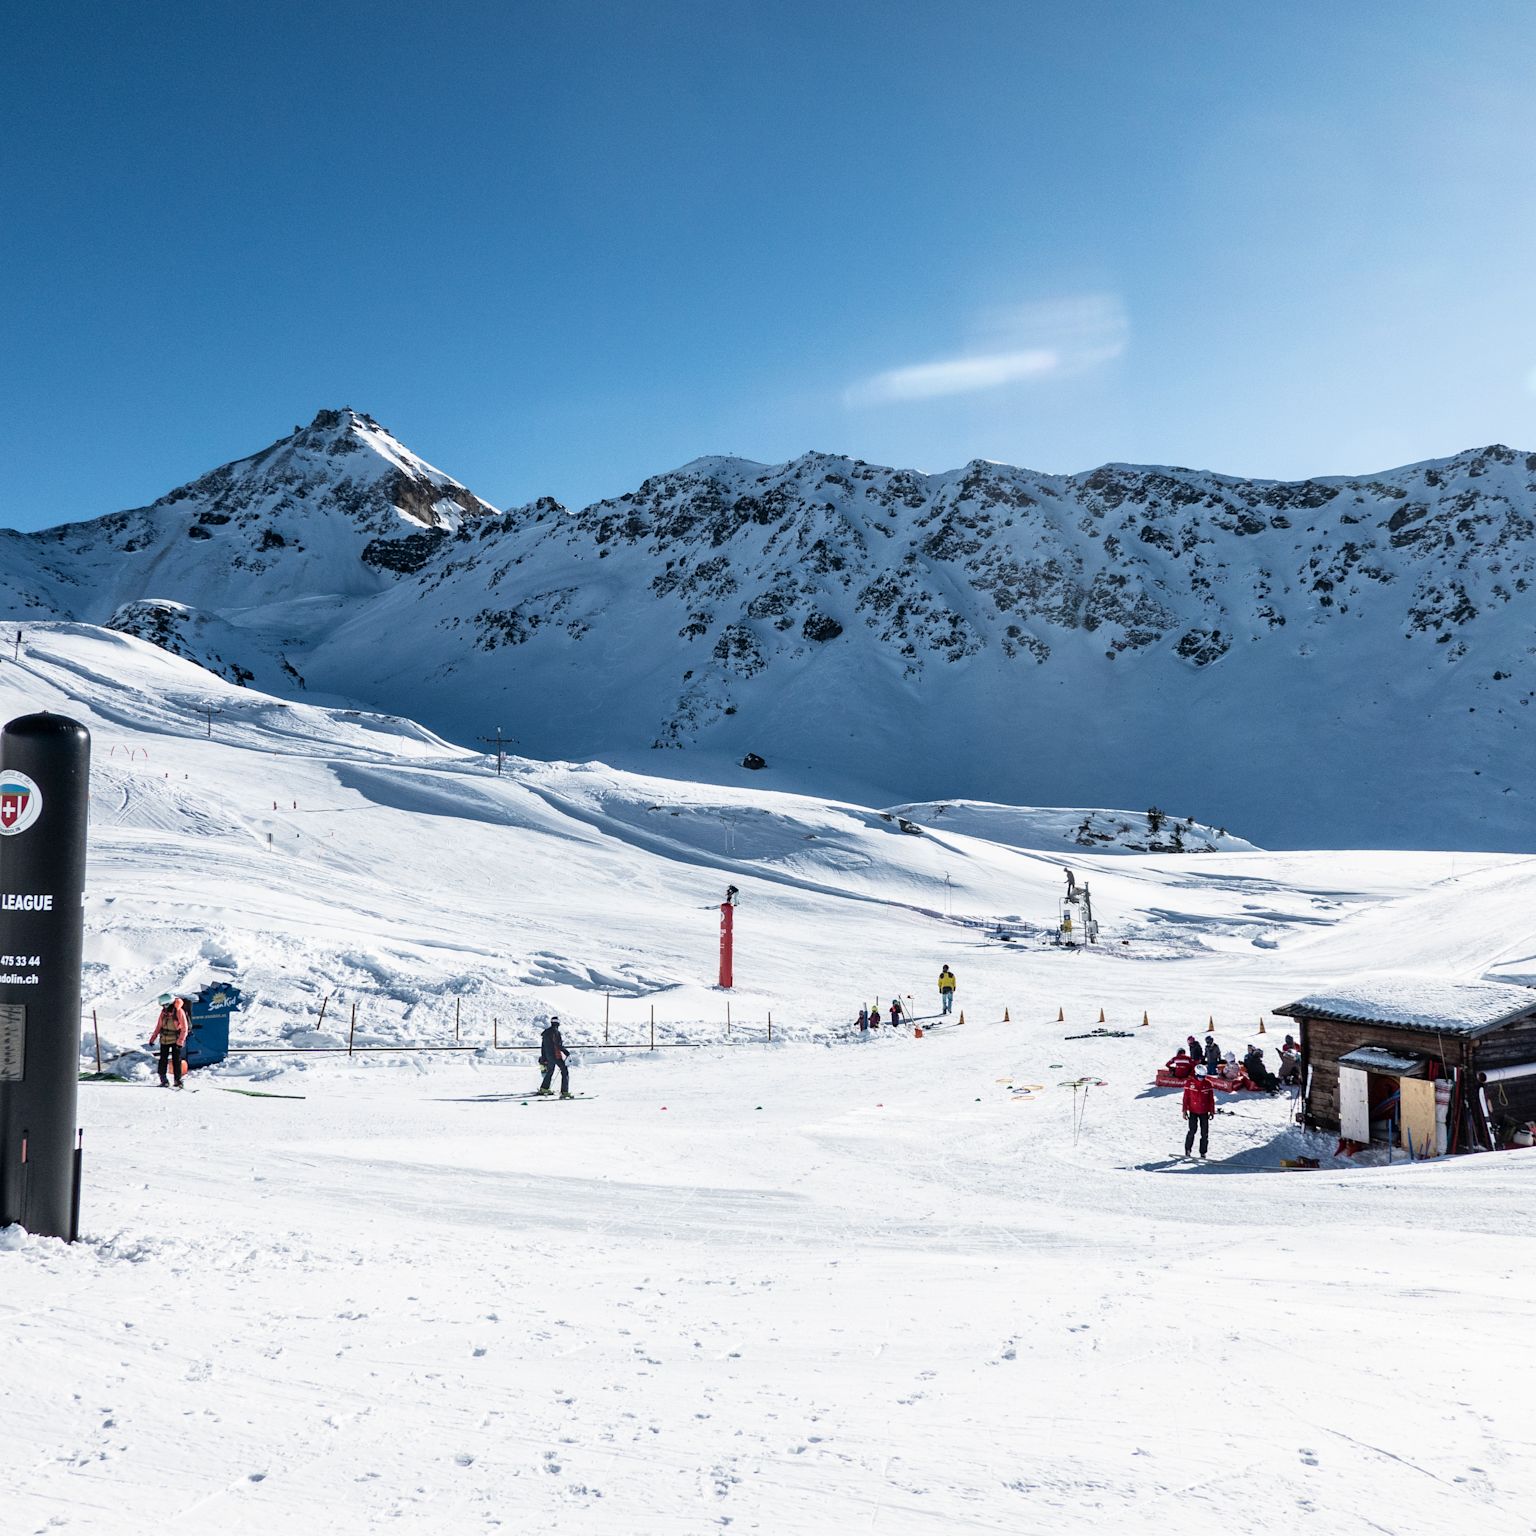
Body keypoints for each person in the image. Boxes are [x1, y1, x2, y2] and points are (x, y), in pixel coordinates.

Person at [147, 992, 189, 1089]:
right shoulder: (164, 1012)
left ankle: (177, 1080)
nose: (164, 1007)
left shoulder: (179, 1011)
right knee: (163, 1060)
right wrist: (153, 1038)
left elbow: (184, 1028)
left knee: (176, 1061)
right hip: (164, 1039)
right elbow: (159, 1026)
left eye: (165, 1005)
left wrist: (180, 1042)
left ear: (169, 1003)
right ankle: (163, 1080)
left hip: (175, 1040)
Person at [1183, 1064, 1216, 1158]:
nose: (1201, 1078)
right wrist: (1184, 1110)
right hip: (1193, 1111)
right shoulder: (1189, 1083)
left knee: (1204, 1133)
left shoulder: (1208, 1084)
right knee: (1192, 1131)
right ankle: (1188, 1150)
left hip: (1204, 1112)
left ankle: (1203, 1152)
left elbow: (1211, 1099)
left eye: (1203, 1077)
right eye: (1200, 1076)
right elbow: (1186, 1098)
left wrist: (1212, 1111)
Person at [537, 1014, 572, 1098]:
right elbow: (558, 1045)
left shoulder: (546, 1033)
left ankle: (544, 1088)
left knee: (550, 1071)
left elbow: (543, 1047)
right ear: (558, 1023)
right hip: (556, 1055)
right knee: (564, 1071)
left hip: (548, 1056)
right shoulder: (556, 1032)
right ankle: (564, 1092)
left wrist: (544, 1057)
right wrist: (566, 1052)